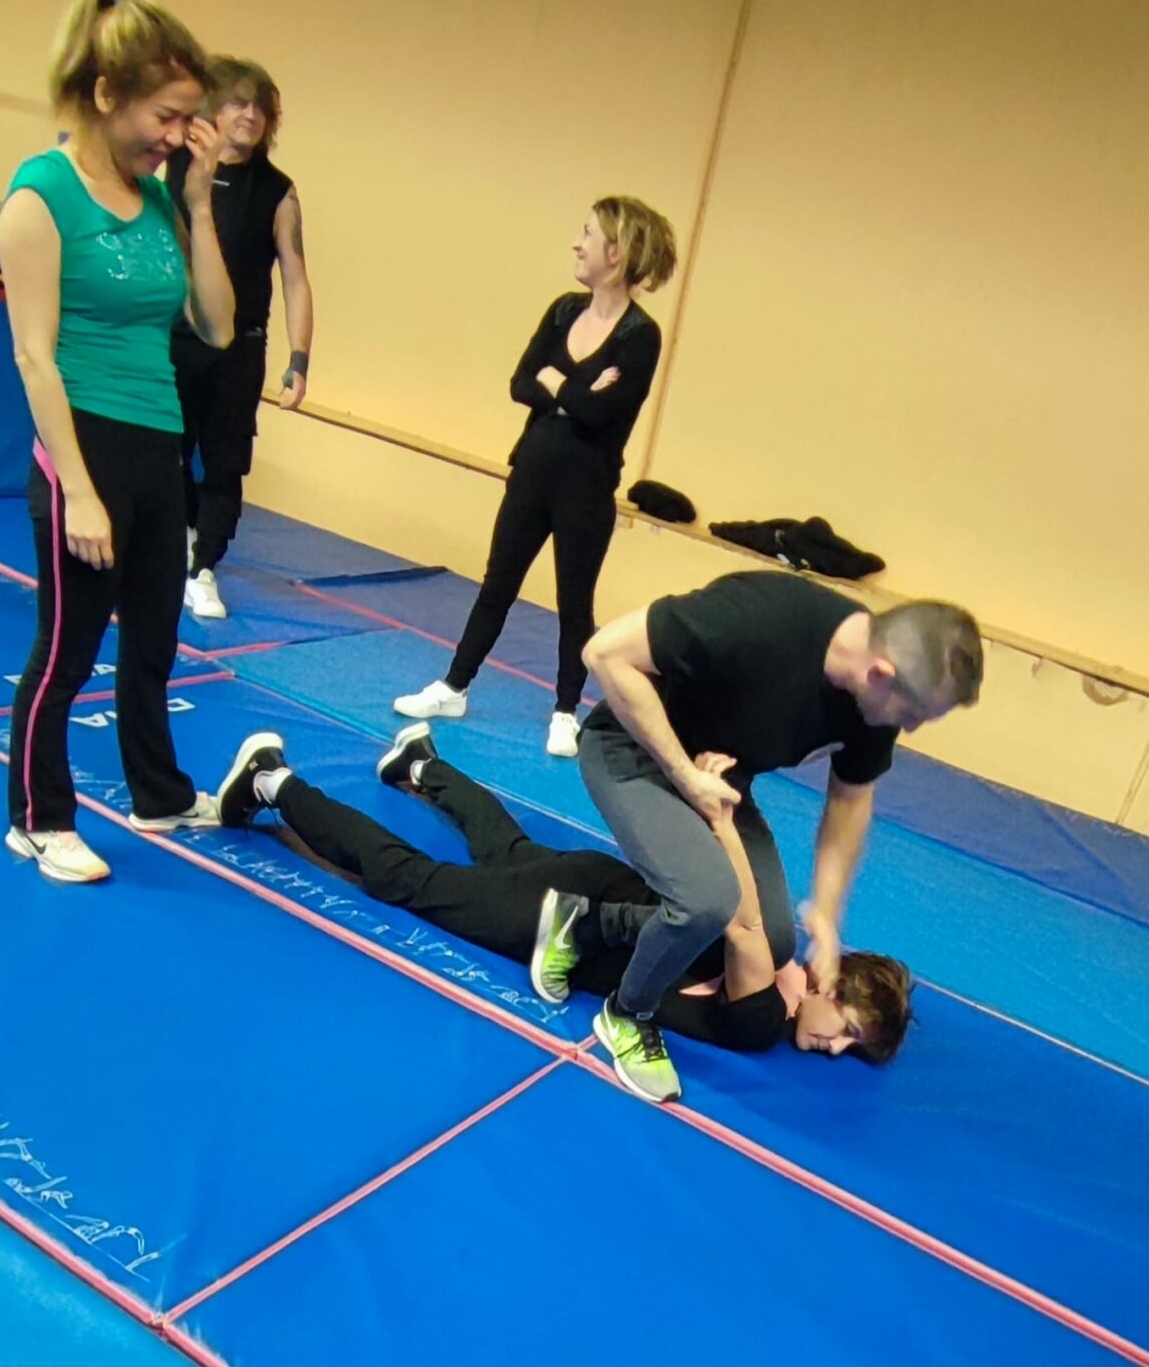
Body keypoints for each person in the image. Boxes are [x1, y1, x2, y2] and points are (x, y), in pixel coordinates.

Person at [211, 723, 913, 1081]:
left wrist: (717, 824)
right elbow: (740, 916)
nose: (833, 1047)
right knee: (408, 880)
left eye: (847, 1049)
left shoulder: (785, 967)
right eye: (845, 1026)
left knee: (507, 851)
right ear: (833, 984)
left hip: (593, 881)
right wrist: (721, 822)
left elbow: (747, 916)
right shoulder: (763, 1013)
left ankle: (419, 763)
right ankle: (274, 783)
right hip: (562, 922)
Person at [0, 0, 235, 884]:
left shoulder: (164, 201)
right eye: (167, 117)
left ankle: (157, 792)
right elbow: (34, 357)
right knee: (65, 648)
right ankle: (36, 815)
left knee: (153, 640)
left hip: (154, 440)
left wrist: (203, 197)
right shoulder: (41, 195)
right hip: (81, 445)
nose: (176, 137)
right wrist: (80, 492)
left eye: (187, 120)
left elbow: (215, 324)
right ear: (107, 95)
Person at [578, 569, 982, 1102]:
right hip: (634, 750)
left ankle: (586, 921)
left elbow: (851, 799)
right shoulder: (762, 618)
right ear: (881, 673)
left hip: (720, 784)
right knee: (709, 900)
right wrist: (683, 774)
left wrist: (828, 918)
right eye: (912, 715)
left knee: (775, 940)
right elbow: (604, 653)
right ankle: (627, 1013)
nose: (906, 729)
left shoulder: (874, 705)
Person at [393, 198, 676, 758]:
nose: (577, 243)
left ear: (616, 253)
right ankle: (454, 686)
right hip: (532, 471)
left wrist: (557, 383)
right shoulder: (562, 311)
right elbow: (522, 382)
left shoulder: (640, 335)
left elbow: (600, 415)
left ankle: (566, 710)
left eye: (588, 234)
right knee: (497, 584)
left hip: (586, 487)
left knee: (575, 602)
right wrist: (572, 388)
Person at [167, 57, 314, 621]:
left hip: (241, 343)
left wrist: (299, 359)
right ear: (214, 109)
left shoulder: (277, 191)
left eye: (260, 106)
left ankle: (204, 566)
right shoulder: (178, 164)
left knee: (226, 461)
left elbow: (297, 279)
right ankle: (180, 534)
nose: (249, 114)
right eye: (238, 102)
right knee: (167, 447)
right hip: (177, 336)